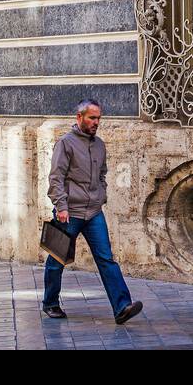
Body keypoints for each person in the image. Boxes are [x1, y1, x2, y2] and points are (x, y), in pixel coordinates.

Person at [43, 99, 143, 324]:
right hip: (69, 212)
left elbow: (102, 175)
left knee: (106, 258)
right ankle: (50, 303)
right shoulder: (65, 144)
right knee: (57, 258)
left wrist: (101, 195)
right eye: (92, 118)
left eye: (99, 118)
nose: (97, 122)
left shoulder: (99, 145)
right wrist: (61, 206)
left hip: (94, 212)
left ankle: (122, 306)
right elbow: (56, 178)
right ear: (79, 118)